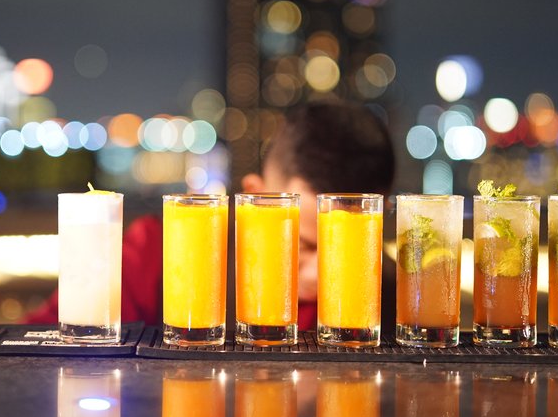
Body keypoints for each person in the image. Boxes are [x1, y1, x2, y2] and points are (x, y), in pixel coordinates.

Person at [25, 100, 396, 332]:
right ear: (253, 196)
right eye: (303, 242)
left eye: (350, 247)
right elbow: (43, 346)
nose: (321, 269)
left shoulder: (395, 292)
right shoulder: (160, 249)